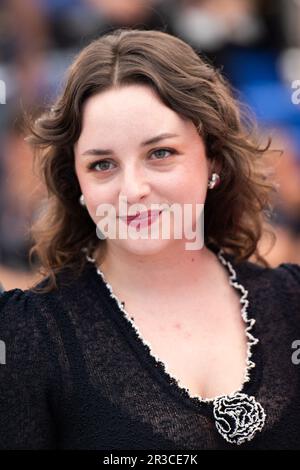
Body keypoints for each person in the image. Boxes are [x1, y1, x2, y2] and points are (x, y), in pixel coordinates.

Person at [0, 28, 299, 450]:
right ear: (78, 184)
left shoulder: (292, 301)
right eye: (103, 164)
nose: (133, 189)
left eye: (160, 153)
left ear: (212, 156)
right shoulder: (26, 334)